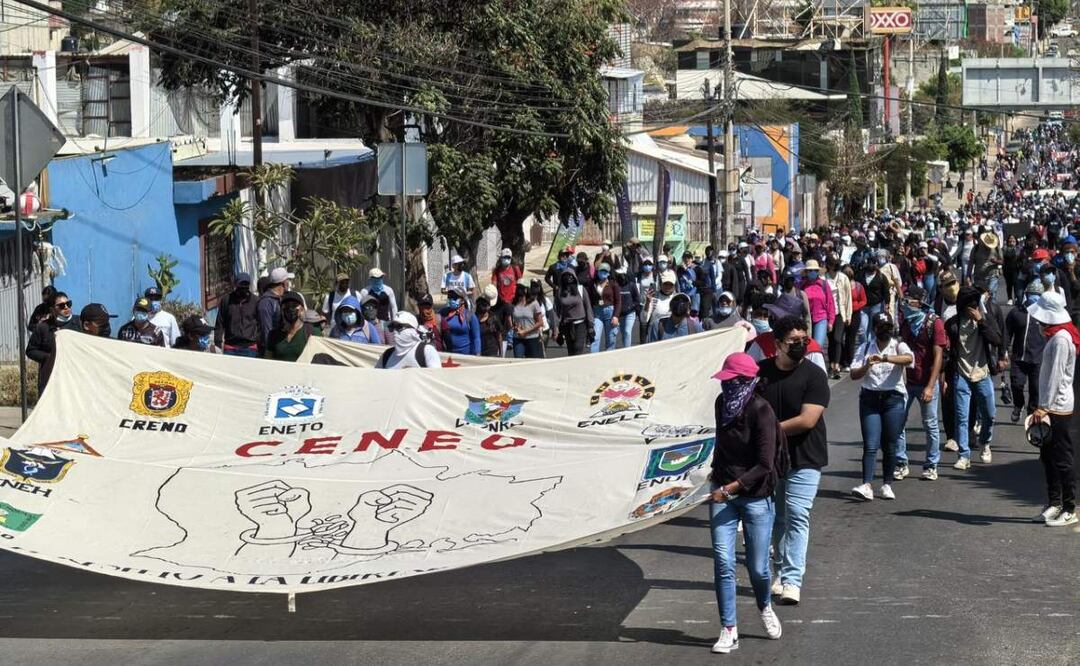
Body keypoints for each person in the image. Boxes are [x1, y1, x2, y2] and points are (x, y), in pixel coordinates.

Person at [708, 352, 784, 654]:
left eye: (730, 381)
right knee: (723, 562)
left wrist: (729, 490)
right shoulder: (720, 405)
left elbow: (765, 464)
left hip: (755, 496)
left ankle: (764, 605)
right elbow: (720, 444)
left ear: (743, 381)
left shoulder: (761, 410)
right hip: (723, 490)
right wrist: (712, 477)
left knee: (757, 568)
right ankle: (729, 628)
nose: (725, 387)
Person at [757, 315, 830, 606]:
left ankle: (792, 580)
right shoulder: (760, 373)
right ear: (777, 345)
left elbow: (807, 419)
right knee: (777, 517)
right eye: (793, 342)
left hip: (805, 456)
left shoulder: (815, 375)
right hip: (771, 459)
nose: (801, 345)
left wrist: (767, 431)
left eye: (804, 340)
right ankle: (779, 574)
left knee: (798, 514)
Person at [1026, 291, 1079, 527]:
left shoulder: (1060, 339)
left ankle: (1069, 507)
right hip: (1051, 406)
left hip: (1057, 407)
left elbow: (1056, 376)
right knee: (1048, 457)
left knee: (1062, 458)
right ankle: (1054, 503)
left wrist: (1043, 407)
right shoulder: (1057, 335)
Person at [850, 312, 913, 501]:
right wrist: (866, 365)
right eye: (881, 328)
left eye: (888, 328)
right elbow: (854, 374)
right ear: (875, 329)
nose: (885, 331)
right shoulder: (866, 347)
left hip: (893, 398)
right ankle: (867, 484)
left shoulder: (898, 345)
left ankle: (887, 484)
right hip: (870, 399)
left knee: (890, 444)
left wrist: (886, 358)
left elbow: (909, 359)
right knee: (870, 444)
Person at [945, 286, 1002, 469]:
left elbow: (997, 340)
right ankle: (964, 455)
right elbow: (948, 353)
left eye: (974, 306)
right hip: (961, 375)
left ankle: (985, 443)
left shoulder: (985, 319)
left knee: (990, 414)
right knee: (962, 417)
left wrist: (981, 321)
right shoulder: (953, 324)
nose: (972, 310)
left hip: (982, 373)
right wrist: (944, 378)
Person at [895, 287, 946, 481]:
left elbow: (938, 356)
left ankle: (931, 465)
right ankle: (901, 462)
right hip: (907, 382)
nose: (905, 305)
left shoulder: (934, 323)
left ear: (919, 303)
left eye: (909, 301)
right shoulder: (906, 323)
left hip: (926, 382)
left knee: (930, 424)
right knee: (898, 423)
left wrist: (930, 386)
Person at [1005, 281, 1048, 423]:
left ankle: (1031, 413)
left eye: (1037, 295)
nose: (1034, 298)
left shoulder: (1046, 315)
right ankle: (1018, 405)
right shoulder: (1016, 313)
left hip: (1038, 359)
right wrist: (1003, 352)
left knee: (1035, 388)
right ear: (1026, 295)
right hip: (1019, 357)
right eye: (1032, 295)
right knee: (1016, 384)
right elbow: (1007, 334)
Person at [26, 291, 81, 394]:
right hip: (51, 376)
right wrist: (48, 357)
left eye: (68, 304)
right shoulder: (43, 327)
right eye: (61, 306)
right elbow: (31, 350)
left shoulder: (79, 323)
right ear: (52, 310)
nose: (66, 307)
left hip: (75, 376)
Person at [215, 273, 260, 357]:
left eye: (246, 285)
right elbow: (219, 323)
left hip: (250, 348)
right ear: (235, 285)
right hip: (230, 348)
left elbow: (260, 323)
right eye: (241, 285)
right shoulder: (226, 301)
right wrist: (217, 343)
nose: (243, 288)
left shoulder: (256, 301)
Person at [376, 312, 442, 369]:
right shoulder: (387, 355)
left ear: (412, 330)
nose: (395, 331)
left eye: (399, 327)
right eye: (393, 327)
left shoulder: (426, 351)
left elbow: (435, 379)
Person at [554, 269, 595, 356]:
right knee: (571, 350)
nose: (568, 278)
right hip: (567, 325)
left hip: (580, 324)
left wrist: (591, 326)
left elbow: (588, 307)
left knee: (578, 347)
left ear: (574, 277)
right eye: (566, 276)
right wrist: (556, 329)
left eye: (570, 275)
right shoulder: (560, 292)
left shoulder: (580, 289)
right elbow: (557, 311)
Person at [799, 260, 836, 354]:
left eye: (815, 270)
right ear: (806, 272)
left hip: (821, 318)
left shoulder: (824, 284)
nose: (813, 272)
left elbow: (830, 303)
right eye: (810, 270)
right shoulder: (801, 285)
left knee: (817, 346)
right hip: (806, 320)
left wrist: (831, 321)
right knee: (806, 347)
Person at [824, 256, 852, 380]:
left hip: (840, 313)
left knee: (838, 339)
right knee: (831, 340)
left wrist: (849, 315)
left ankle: (837, 365)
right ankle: (831, 365)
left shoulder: (843, 278)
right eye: (832, 263)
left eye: (836, 263)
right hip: (828, 313)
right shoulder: (823, 278)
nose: (834, 265)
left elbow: (848, 297)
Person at [265, 292, 312, 362]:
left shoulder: (312, 332)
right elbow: (267, 360)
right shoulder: (273, 334)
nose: (290, 309)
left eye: (294, 305)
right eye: (286, 306)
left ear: (302, 310)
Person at [257, 267, 293, 352]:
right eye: (288, 280)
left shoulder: (280, 299)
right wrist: (269, 351)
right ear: (283, 283)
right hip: (271, 351)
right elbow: (266, 330)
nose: (289, 283)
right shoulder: (266, 302)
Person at [590, 262, 621, 351]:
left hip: (610, 312)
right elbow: (589, 299)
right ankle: (593, 360)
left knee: (611, 339)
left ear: (608, 273)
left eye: (605, 271)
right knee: (595, 337)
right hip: (597, 313)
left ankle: (609, 360)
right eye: (601, 271)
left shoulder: (613, 284)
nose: (602, 273)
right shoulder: (593, 283)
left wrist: (616, 316)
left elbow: (618, 301)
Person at [440, 289, 481, 355]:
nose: (451, 299)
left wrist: (477, 353)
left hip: (466, 356)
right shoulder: (443, 313)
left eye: (455, 298)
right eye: (450, 297)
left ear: (462, 300)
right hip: (448, 355)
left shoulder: (470, 316)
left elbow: (476, 337)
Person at [511, 281, 545, 358]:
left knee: (532, 361)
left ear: (526, 289)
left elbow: (540, 322)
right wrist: (515, 327)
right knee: (518, 360)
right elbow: (512, 321)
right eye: (518, 287)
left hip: (532, 337)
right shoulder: (514, 303)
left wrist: (526, 331)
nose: (519, 290)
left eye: (521, 288)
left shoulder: (534, 303)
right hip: (518, 337)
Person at [614, 266, 641, 348]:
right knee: (623, 333)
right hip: (620, 314)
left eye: (622, 274)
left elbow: (637, 299)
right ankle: (625, 347)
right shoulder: (616, 286)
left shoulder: (632, 285)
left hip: (630, 313)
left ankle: (627, 351)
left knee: (627, 332)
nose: (621, 277)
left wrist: (631, 306)